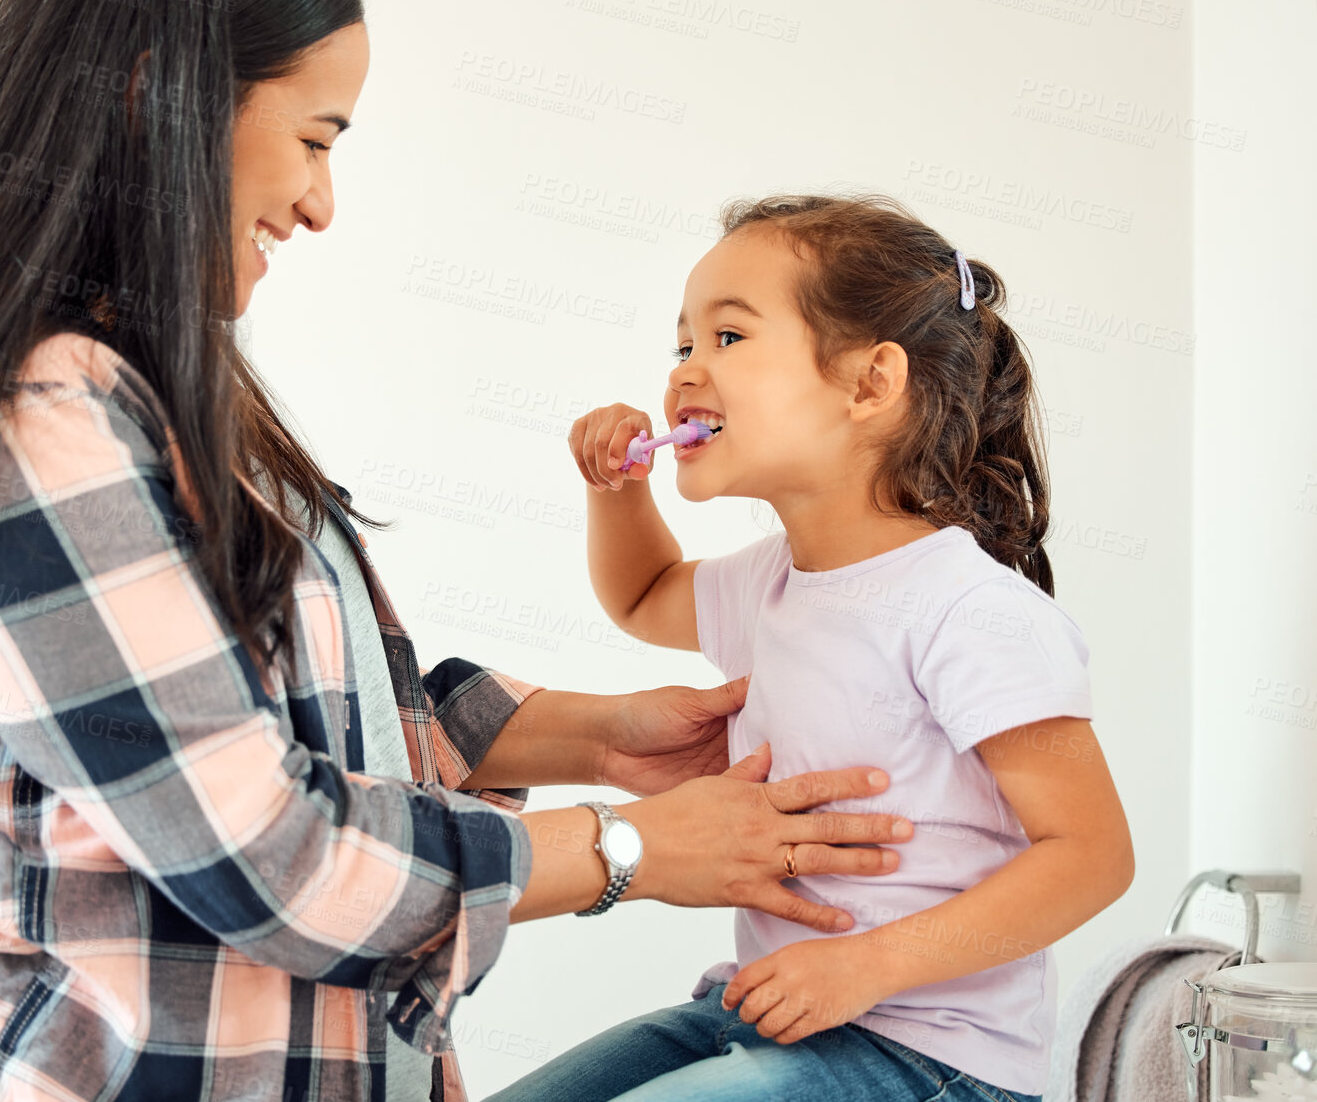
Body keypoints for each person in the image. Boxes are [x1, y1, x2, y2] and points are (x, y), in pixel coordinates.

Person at [0, 0, 915, 1101]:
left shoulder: (139, 386)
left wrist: (596, 737)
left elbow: (263, 714)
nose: (320, 202)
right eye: (313, 138)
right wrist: (628, 848)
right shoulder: (22, 423)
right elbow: (267, 852)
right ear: (160, 93)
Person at [485, 194, 1135, 1102]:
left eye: (729, 338)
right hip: (766, 1010)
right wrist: (617, 493)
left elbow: (1093, 854)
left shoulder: (970, 607)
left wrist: (868, 964)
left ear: (869, 384)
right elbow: (641, 597)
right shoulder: (772, 580)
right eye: (683, 346)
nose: (684, 374)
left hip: (930, 1056)